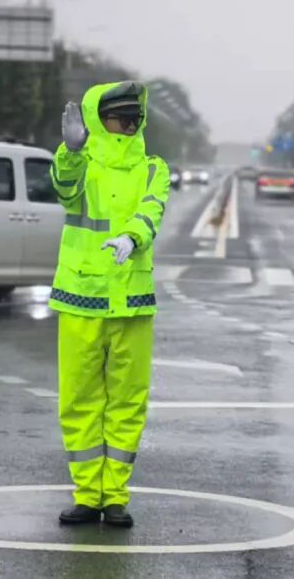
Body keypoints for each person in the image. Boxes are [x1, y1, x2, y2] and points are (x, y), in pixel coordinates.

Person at [49, 81, 170, 529]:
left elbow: (152, 209)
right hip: (80, 298)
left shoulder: (154, 168)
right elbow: (64, 191)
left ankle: (115, 496)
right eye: (122, 118)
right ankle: (86, 496)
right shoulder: (81, 162)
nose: (131, 126)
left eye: (136, 118)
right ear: (101, 120)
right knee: (79, 401)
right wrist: (70, 151)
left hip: (132, 304)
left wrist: (132, 237)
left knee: (127, 402)